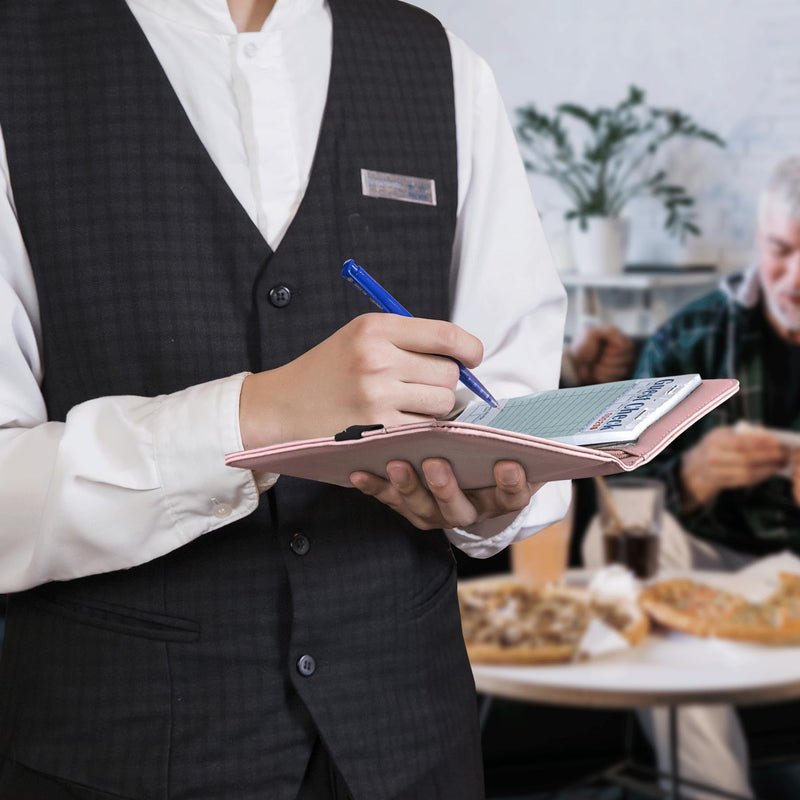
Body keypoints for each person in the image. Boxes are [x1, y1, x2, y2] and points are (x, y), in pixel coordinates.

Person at [0, 0, 570, 798]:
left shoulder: (436, 60)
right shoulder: (20, 54)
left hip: (414, 747)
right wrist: (255, 416)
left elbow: (508, 387)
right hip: (118, 755)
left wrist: (490, 492)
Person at [610, 155, 800, 800]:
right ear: (759, 238)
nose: (794, 279)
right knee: (626, 545)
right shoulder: (692, 337)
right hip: (714, 568)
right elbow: (618, 485)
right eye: (780, 250)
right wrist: (688, 477)